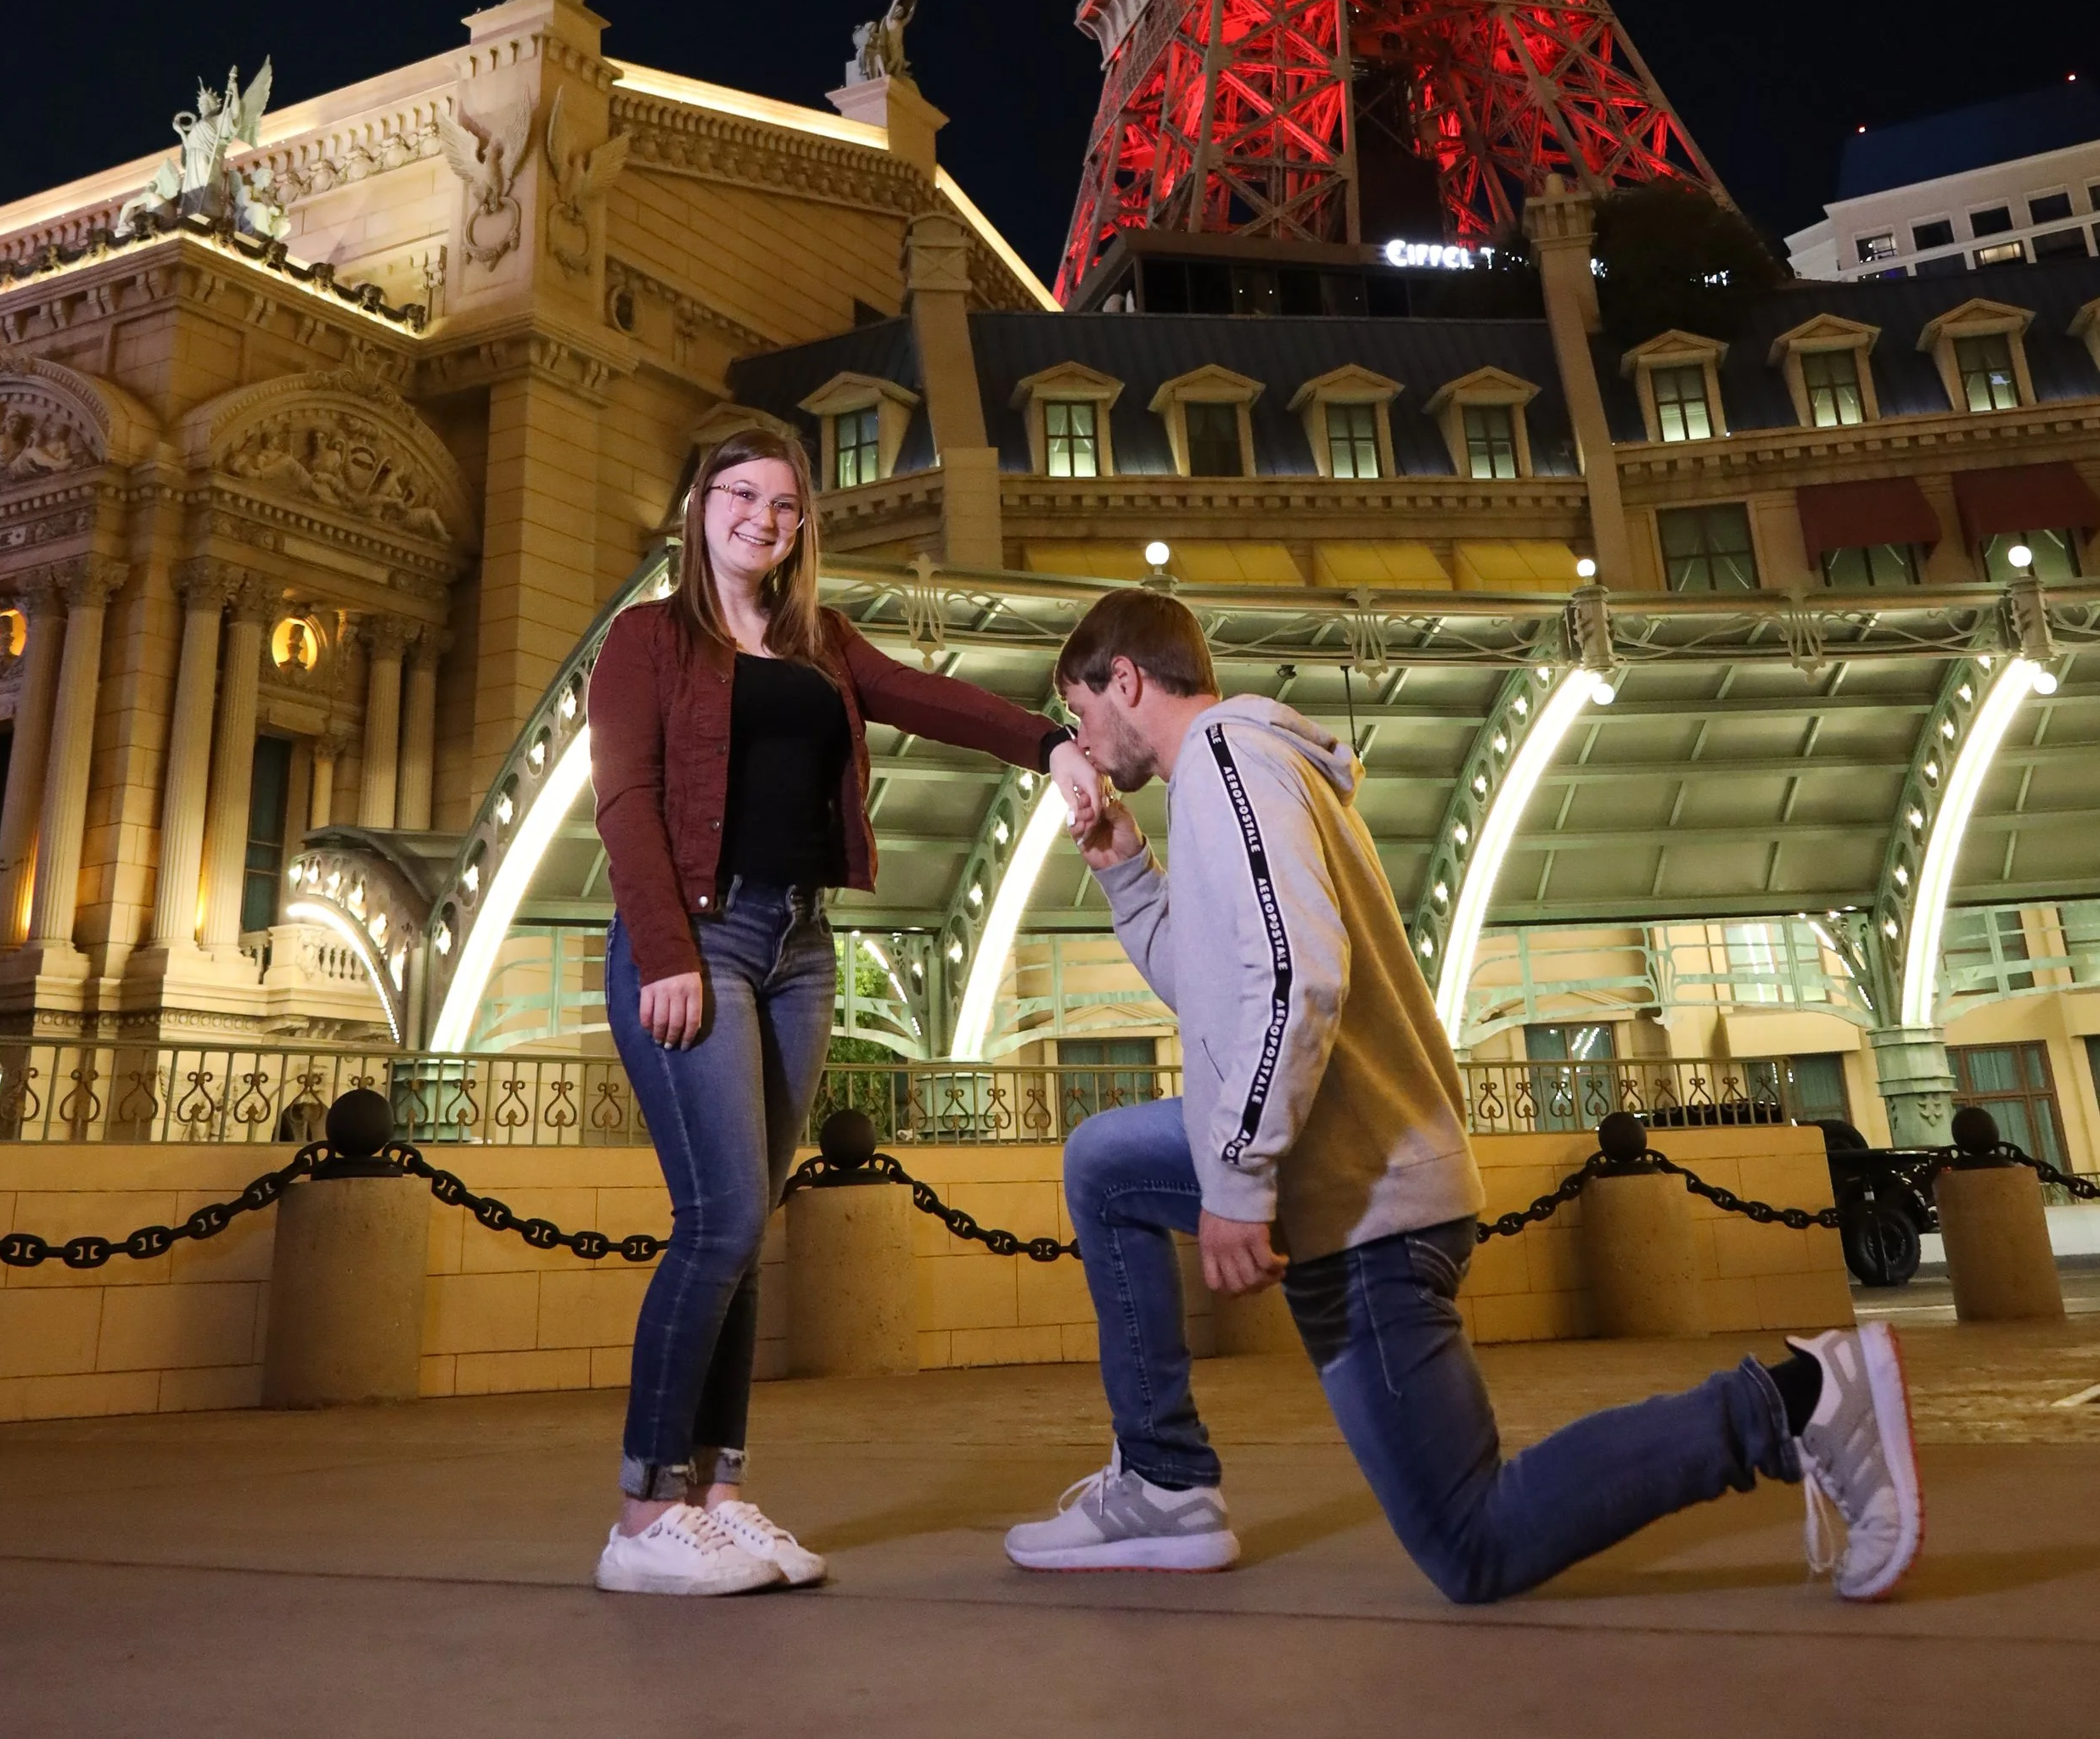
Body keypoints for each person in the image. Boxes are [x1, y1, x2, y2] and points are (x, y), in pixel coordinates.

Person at [1006, 586, 1922, 1606]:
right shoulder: (1226, 779)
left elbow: (1293, 977)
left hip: (1363, 1201)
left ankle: (1796, 1406)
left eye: (1080, 711)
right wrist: (1129, 875)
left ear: (1125, 679)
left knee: (1473, 1538)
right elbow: (1220, 989)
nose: (1080, 741)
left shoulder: (1227, 763)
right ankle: (1164, 1481)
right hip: (1344, 1167)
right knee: (1106, 1162)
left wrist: (1240, 1177)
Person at [589, 417, 1099, 1597]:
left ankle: (715, 1494)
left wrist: (1050, 743)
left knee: (748, 1226)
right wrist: (665, 946)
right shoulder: (648, 640)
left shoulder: (822, 641)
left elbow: (924, 695)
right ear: (700, 504)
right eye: (744, 496)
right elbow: (626, 797)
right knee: (714, 1220)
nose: (765, 519)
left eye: (786, 504)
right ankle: (639, 1511)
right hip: (698, 942)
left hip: (799, 945)